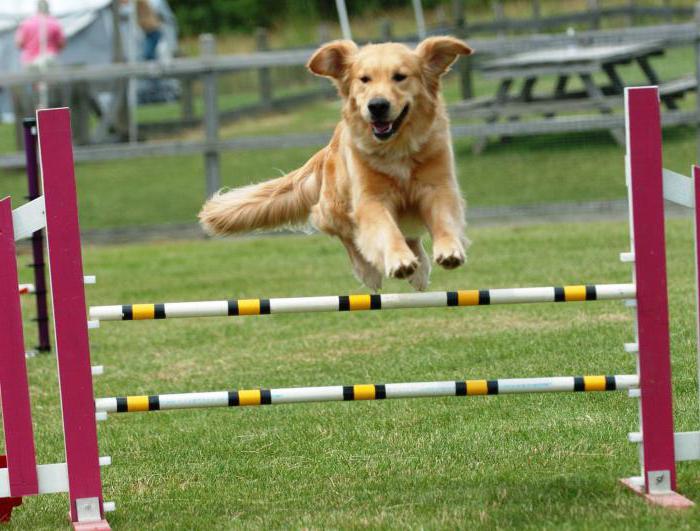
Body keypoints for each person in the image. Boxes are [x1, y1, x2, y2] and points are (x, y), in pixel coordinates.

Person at [15, 0, 66, 69]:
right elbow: (61, 44)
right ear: (48, 9)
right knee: (50, 77)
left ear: (37, 9)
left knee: (32, 78)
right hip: (49, 60)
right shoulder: (55, 23)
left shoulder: (26, 23)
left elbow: (19, 44)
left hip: (30, 61)